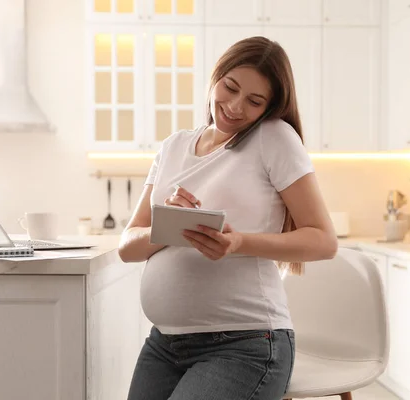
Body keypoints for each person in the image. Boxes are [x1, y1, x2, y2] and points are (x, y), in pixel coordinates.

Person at [118, 36, 338, 400]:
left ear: (270, 107)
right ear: (215, 77)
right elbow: (128, 247)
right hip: (164, 343)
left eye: (254, 101)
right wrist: (171, 224)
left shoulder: (274, 138)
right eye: (230, 88)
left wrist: (239, 243)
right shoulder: (174, 146)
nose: (235, 107)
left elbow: (323, 240)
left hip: (245, 343)